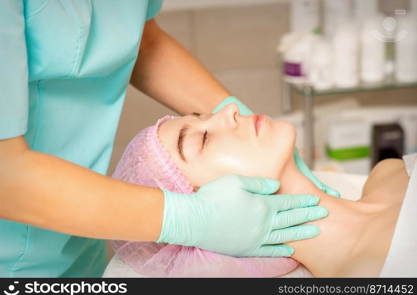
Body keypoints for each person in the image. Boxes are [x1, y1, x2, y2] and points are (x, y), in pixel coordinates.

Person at [0, 1, 336, 277]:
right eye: (201, 141)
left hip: (81, 239)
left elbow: (143, 42)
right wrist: (185, 218)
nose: (230, 114)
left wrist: (235, 116)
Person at [107, 104, 411, 277]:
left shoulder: (389, 173)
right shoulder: (371, 274)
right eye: (202, 140)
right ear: (211, 212)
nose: (228, 110)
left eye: (202, 116)